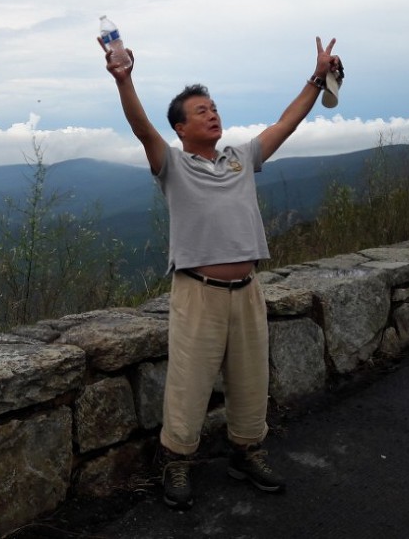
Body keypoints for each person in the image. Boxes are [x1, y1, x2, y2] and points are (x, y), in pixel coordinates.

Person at [101, 33, 343, 511]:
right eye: (200, 111)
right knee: (189, 382)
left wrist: (317, 80)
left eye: (213, 108)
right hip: (198, 292)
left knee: (251, 380)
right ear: (180, 127)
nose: (212, 114)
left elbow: (286, 122)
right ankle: (176, 460)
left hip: (248, 289)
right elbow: (141, 128)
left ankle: (246, 453)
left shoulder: (240, 158)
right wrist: (124, 79)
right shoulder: (172, 164)